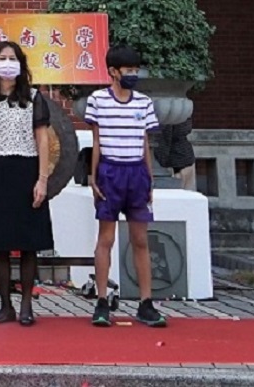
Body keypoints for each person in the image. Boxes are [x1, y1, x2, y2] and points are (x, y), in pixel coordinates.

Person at [0, 40, 55, 327]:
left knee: (29, 242)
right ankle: (5, 305)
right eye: (1, 58)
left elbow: (43, 140)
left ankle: (27, 304)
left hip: (25, 171)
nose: (7, 63)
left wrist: (42, 179)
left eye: (12, 58)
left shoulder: (34, 97)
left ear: (21, 64)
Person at [87, 44, 165, 328]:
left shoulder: (144, 102)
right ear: (113, 71)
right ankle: (101, 301)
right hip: (110, 172)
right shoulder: (97, 100)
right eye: (128, 70)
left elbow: (145, 141)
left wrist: (150, 178)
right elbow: (96, 141)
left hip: (136, 173)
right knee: (106, 238)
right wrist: (93, 176)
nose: (133, 74)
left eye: (135, 70)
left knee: (141, 239)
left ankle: (146, 303)